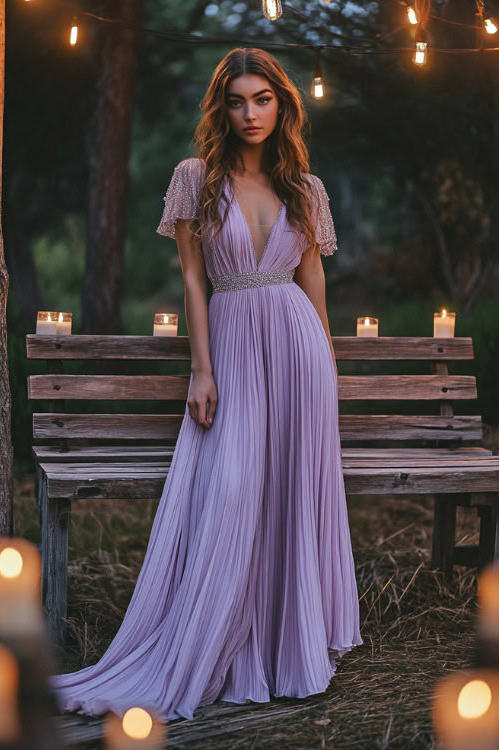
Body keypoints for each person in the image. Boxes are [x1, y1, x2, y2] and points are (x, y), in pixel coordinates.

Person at [49, 46, 363, 722]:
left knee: (287, 497)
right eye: (238, 100)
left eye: (263, 99)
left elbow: (314, 283)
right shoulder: (195, 177)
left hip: (298, 355)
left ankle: (288, 652)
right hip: (233, 348)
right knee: (233, 490)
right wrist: (202, 368)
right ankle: (224, 646)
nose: (250, 113)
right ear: (221, 107)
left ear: (282, 105)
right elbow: (193, 278)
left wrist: (327, 368)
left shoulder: (305, 189)